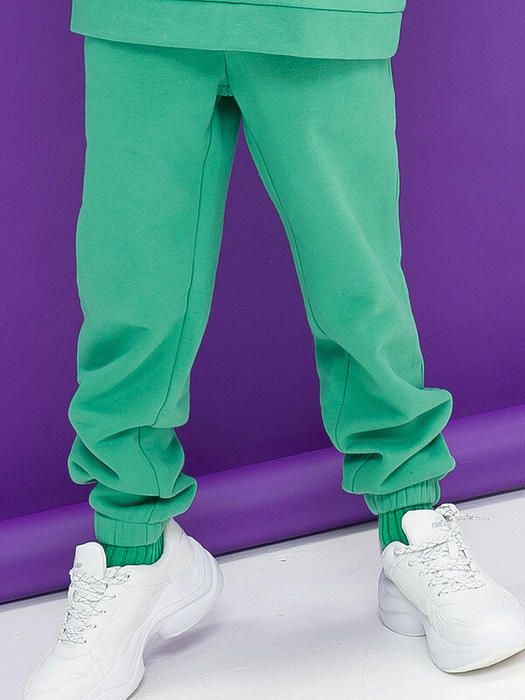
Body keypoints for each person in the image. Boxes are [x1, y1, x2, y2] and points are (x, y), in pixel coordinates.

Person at [24, 0, 525, 697]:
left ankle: (408, 522)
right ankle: (133, 551)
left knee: (360, 285)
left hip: (318, 11)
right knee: (130, 297)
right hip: (142, 16)